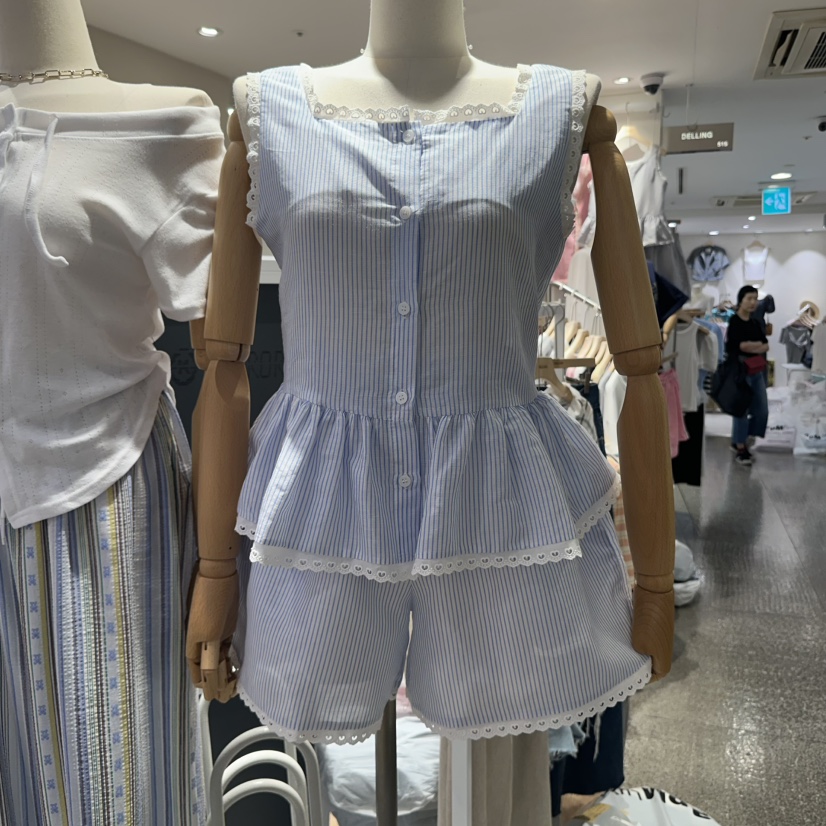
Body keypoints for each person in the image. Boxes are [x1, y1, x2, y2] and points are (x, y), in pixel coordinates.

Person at [726, 285, 769, 466]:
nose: (753, 302)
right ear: (741, 300)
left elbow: (766, 345)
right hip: (740, 371)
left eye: (755, 299)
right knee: (741, 410)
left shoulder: (756, 323)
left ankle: (741, 438)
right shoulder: (734, 322)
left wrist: (751, 346)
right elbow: (740, 346)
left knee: (762, 410)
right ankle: (740, 447)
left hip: (756, 371)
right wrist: (755, 346)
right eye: (749, 298)